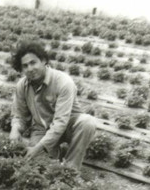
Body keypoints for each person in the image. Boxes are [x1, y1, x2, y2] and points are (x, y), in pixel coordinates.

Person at [9, 40, 97, 169]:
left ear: (44, 60)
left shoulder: (63, 82)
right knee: (37, 166)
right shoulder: (22, 86)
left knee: (87, 122)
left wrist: (38, 147)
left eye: (33, 63)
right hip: (42, 129)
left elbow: (61, 122)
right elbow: (19, 115)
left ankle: (70, 169)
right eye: (25, 66)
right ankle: (57, 152)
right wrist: (15, 129)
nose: (30, 69)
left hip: (67, 127)